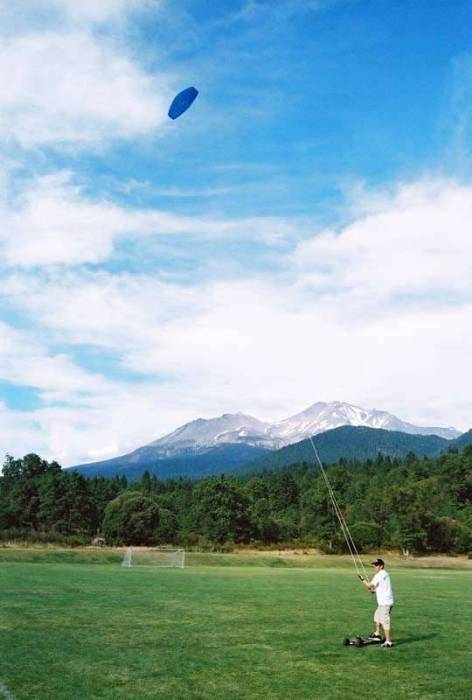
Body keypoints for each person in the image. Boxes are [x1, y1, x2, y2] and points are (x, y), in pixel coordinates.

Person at [361, 558, 394, 648]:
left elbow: (369, 585)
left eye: (376, 565)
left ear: (381, 566)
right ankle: (377, 634)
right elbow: (381, 588)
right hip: (383, 603)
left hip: (385, 603)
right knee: (377, 617)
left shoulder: (380, 574)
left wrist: (362, 579)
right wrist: (373, 591)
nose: (374, 567)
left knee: (384, 621)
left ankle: (388, 642)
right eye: (373, 565)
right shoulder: (383, 574)